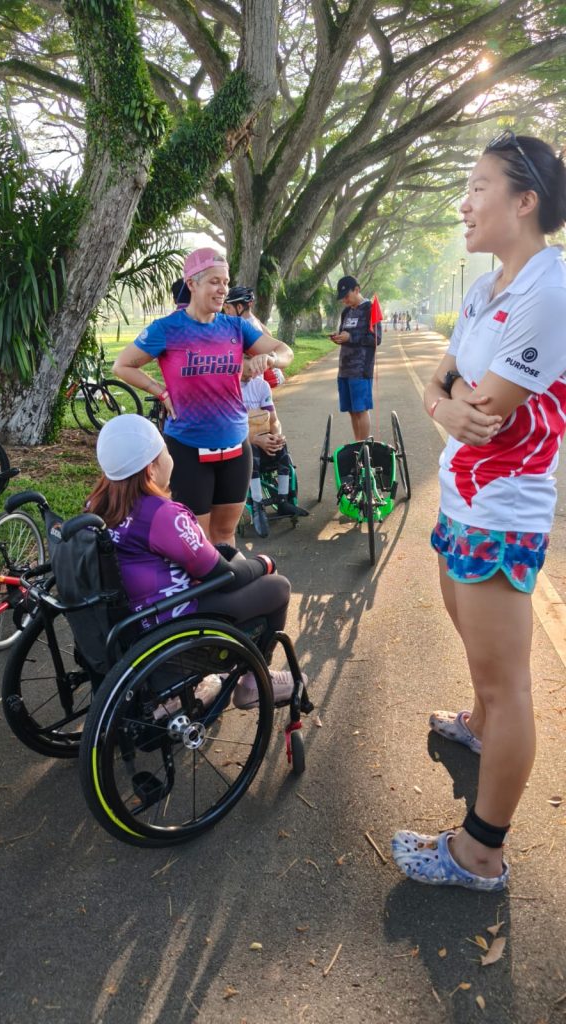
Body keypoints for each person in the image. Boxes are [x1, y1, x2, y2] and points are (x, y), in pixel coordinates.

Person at [392, 131, 566, 891]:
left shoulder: (548, 293)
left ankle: (481, 852)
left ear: (525, 201)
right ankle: (479, 726)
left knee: (507, 683)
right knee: (474, 649)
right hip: (461, 496)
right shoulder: (486, 287)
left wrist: (452, 397)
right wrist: (444, 399)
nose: (463, 204)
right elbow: (445, 385)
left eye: (478, 187)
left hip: (502, 510)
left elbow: (486, 413)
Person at [87, 414, 304, 706]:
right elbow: (226, 577)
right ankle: (253, 683)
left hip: (133, 619)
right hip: (174, 619)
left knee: (228, 556)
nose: (170, 458)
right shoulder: (162, 515)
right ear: (151, 468)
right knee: (277, 587)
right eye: (165, 451)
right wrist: (264, 563)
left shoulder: (97, 505)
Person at [112, 248, 293, 546]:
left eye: (226, 282)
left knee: (225, 535)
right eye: (214, 281)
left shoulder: (236, 327)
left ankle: (230, 578)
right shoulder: (168, 329)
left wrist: (271, 359)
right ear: (192, 284)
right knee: (197, 540)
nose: (223, 289)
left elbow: (286, 351)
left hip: (236, 446)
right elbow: (122, 365)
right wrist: (160, 391)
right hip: (187, 447)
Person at [240, 358, 309, 536]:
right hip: (240, 444)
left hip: (263, 438)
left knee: (281, 447)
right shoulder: (228, 388)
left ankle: (283, 500)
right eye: (252, 364)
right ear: (239, 359)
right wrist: (255, 440)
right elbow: (227, 428)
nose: (258, 369)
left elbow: (274, 420)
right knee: (252, 450)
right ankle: (257, 504)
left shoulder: (261, 385)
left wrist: (277, 435)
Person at [330, 275, 380, 441]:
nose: (344, 300)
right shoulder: (346, 312)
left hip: (361, 370)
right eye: (342, 298)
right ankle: (357, 444)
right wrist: (338, 337)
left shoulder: (370, 309)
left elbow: (376, 338)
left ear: (357, 290)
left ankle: (363, 447)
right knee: (351, 410)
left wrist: (350, 338)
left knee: (361, 409)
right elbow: (345, 334)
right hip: (344, 369)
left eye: (347, 296)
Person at [223, 284, 286, 389]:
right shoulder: (253, 320)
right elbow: (269, 334)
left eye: (228, 308)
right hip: (271, 376)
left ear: (239, 307)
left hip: (262, 379)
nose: (226, 313)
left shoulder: (246, 327)